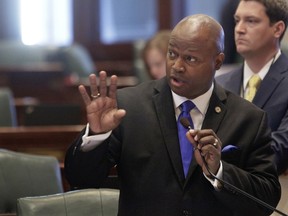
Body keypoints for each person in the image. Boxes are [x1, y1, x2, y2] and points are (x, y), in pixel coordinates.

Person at [65, 14, 280, 216]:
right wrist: (96, 135)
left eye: (190, 59)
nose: (177, 66)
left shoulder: (248, 118)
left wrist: (219, 170)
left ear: (217, 62)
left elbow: (266, 200)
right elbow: (80, 178)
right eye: (172, 54)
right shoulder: (128, 107)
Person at [216, 0, 288, 175]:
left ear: (277, 29)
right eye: (237, 20)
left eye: (251, 21)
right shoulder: (220, 83)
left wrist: (218, 156)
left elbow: (281, 150)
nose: (239, 29)